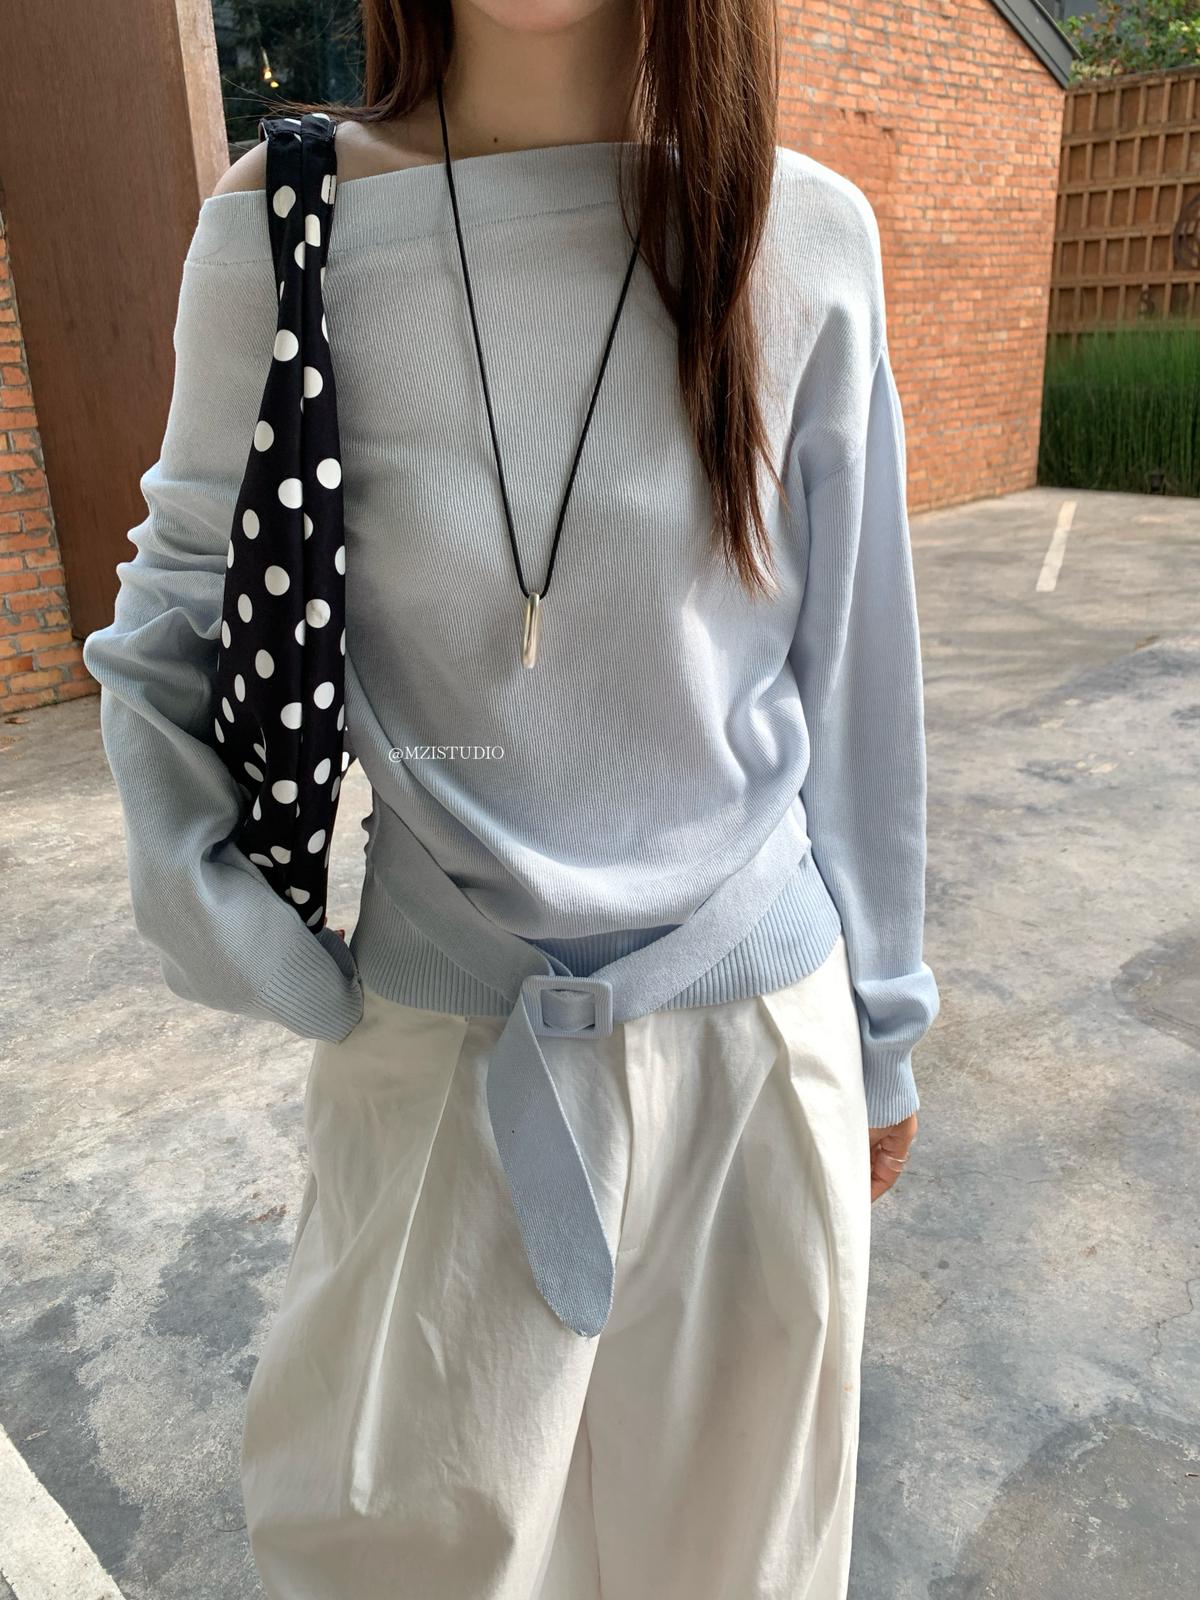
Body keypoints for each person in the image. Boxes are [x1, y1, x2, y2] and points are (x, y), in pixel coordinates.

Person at [81, 1, 940, 1595]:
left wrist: (884, 1026)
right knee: (393, 1556)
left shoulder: (805, 233)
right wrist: (232, 927)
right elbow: (177, 617)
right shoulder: (285, 230)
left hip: (756, 1056)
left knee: (738, 1570)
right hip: (438, 1060)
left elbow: (858, 672)